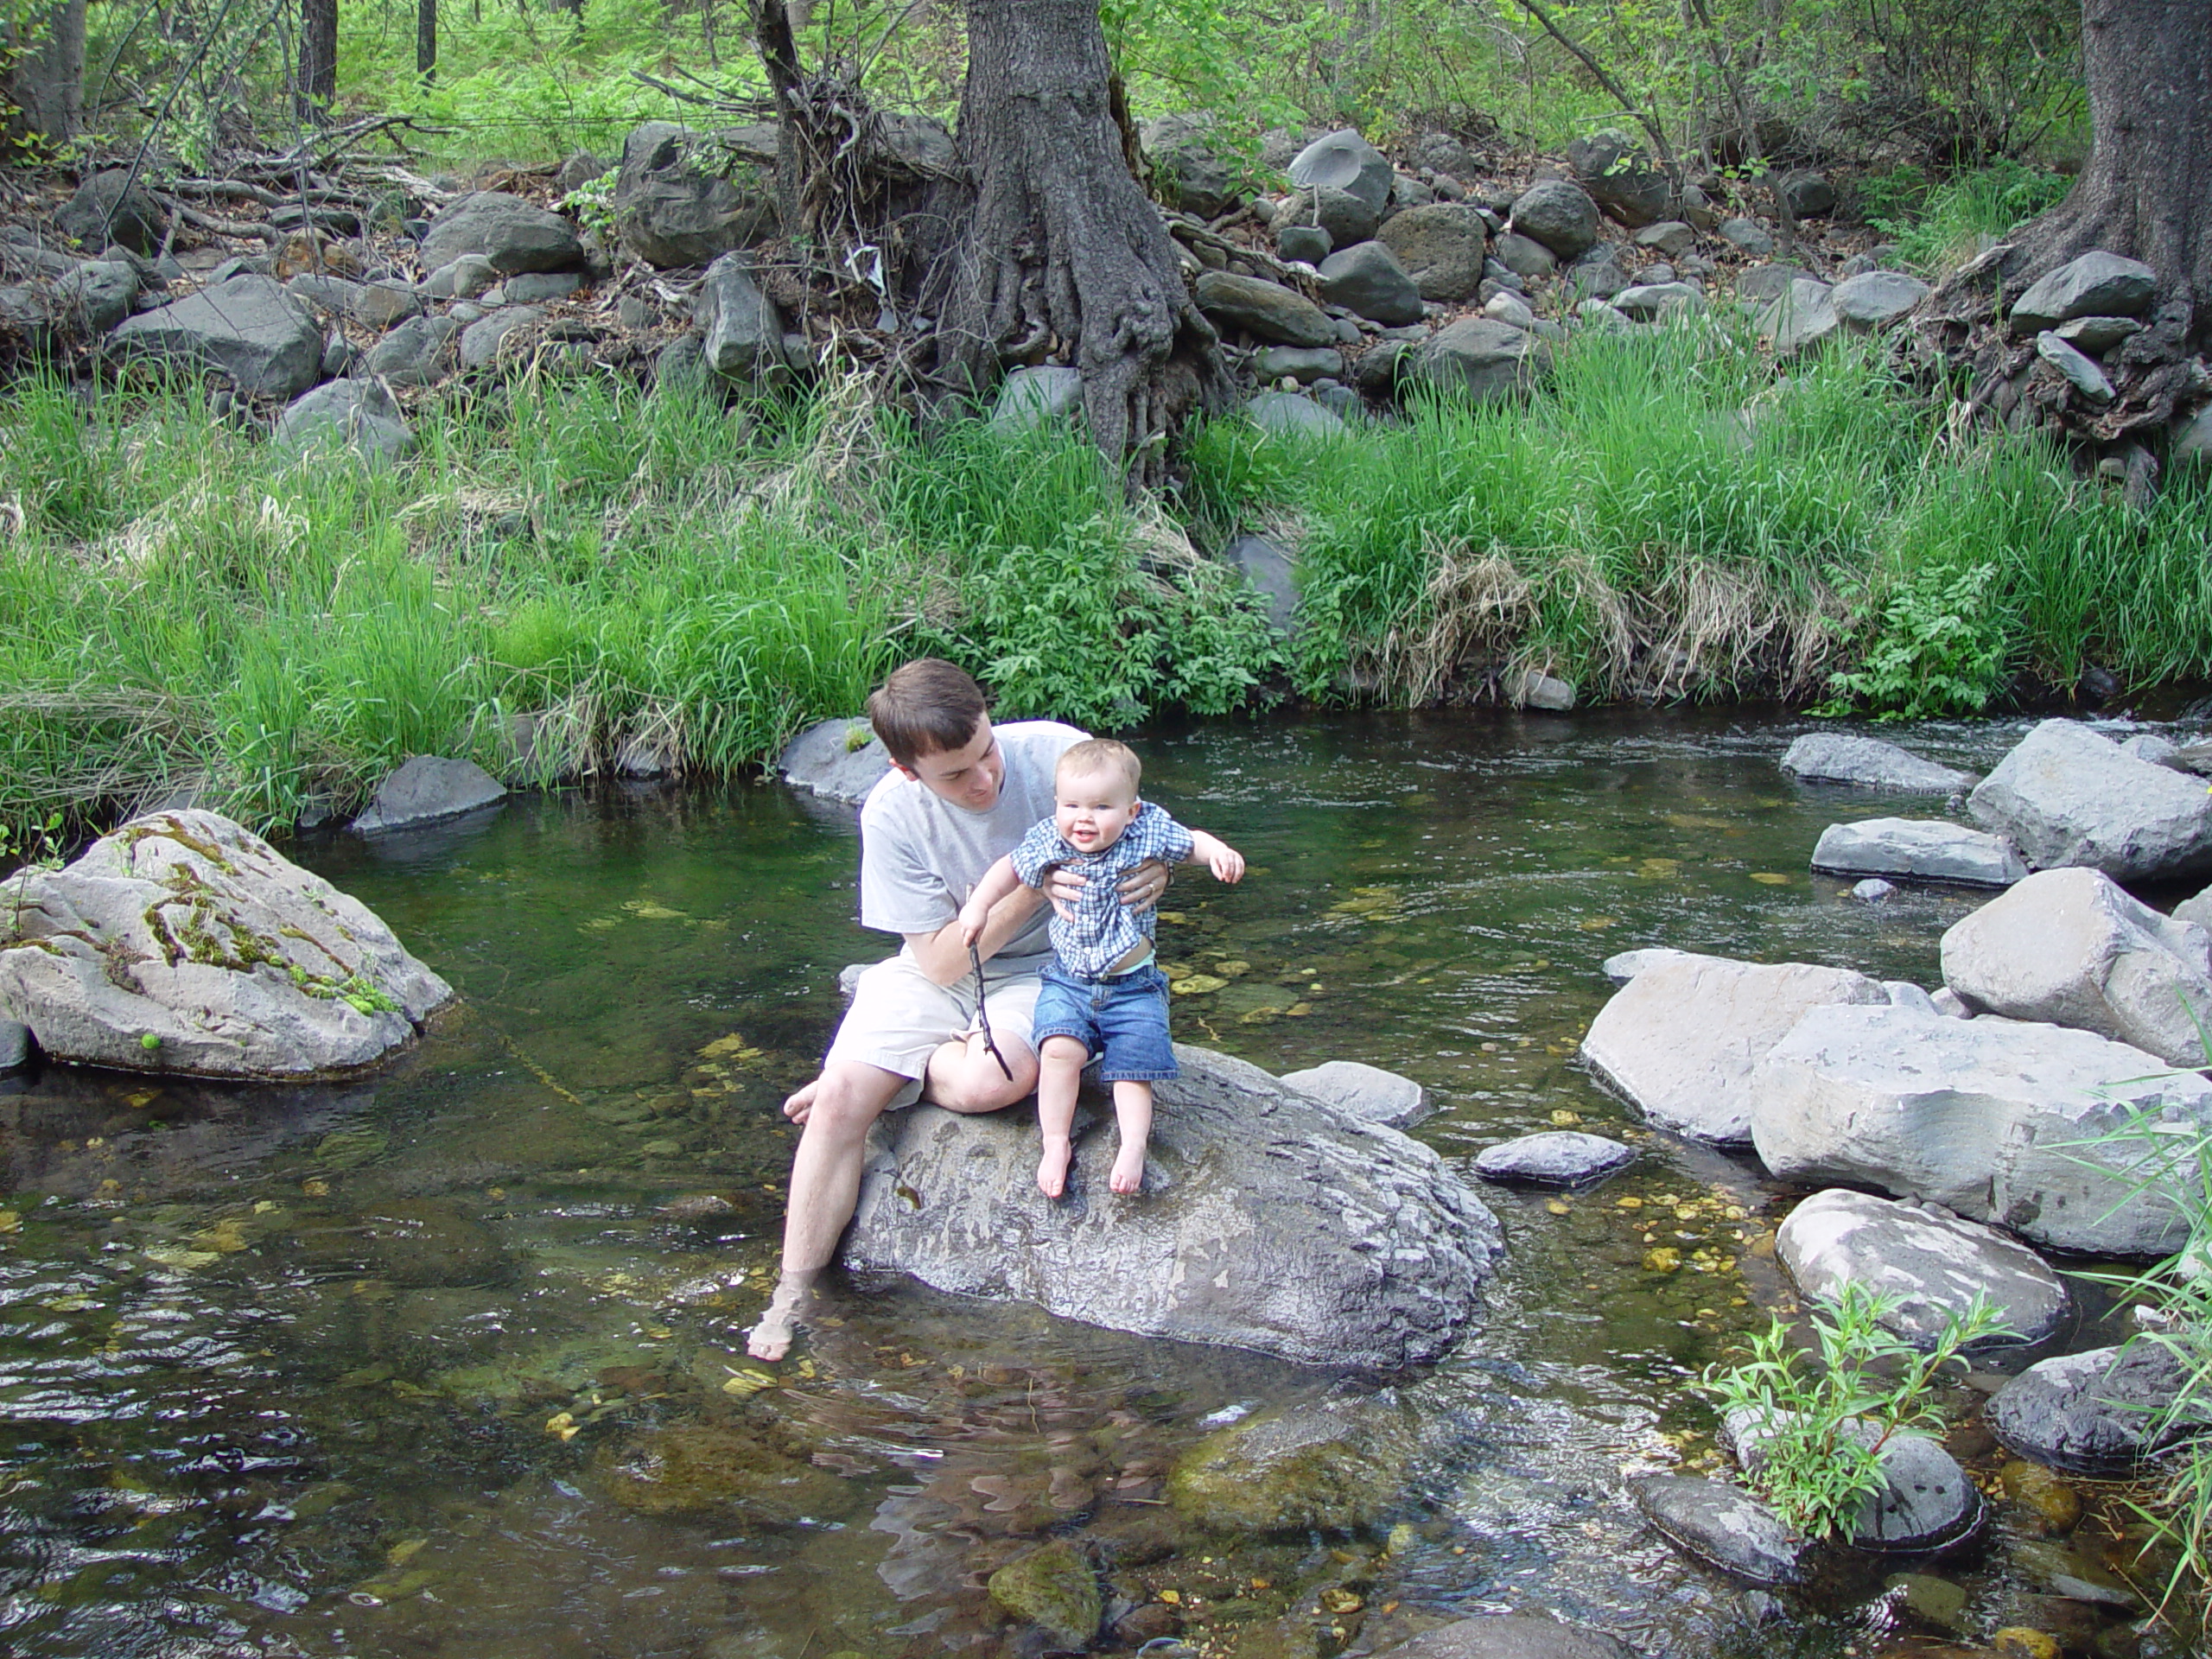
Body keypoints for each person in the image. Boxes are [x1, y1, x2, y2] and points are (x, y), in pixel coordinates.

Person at [747, 660, 1168, 1362]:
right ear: (908, 770)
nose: (985, 781)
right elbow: (942, 962)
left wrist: (1155, 870)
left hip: (1054, 967)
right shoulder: (890, 813)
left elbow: (1145, 832)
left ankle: (899, 1073)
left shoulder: (1058, 752)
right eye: (956, 775)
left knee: (986, 1086)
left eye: (986, 752)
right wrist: (1036, 886)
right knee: (840, 1102)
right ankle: (792, 1294)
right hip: (937, 963)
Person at [958, 739, 1243, 1200]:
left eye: (1101, 807)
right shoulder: (1051, 838)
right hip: (1069, 982)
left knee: (1133, 1067)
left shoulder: (1147, 833)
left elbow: (1191, 842)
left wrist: (1219, 854)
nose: (1084, 818)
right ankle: (1054, 1144)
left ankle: (1132, 1145)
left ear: (1131, 811)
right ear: (1057, 805)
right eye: (1072, 805)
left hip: (1133, 986)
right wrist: (977, 908)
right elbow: (1008, 869)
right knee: (1057, 1053)